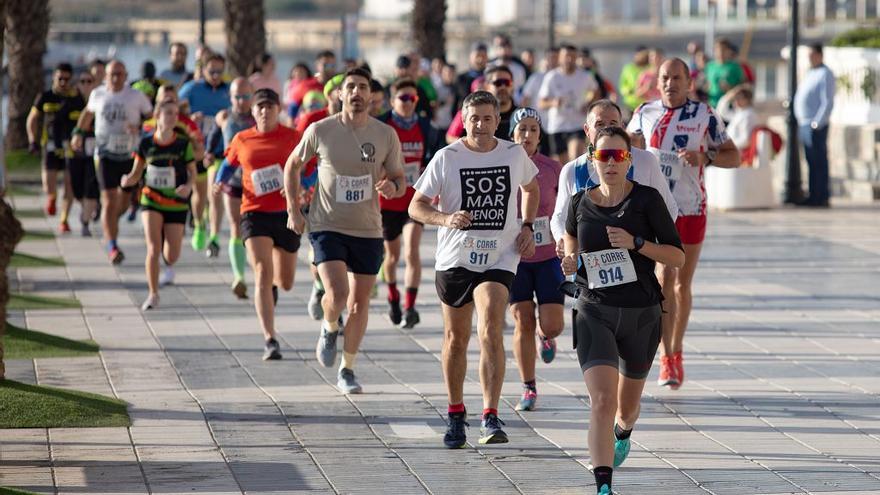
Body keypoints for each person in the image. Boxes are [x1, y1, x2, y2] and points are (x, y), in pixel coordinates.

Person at [409, 91, 540, 448]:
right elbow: (416, 207)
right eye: (473, 119)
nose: (480, 125)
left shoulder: (513, 153)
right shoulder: (447, 157)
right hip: (455, 258)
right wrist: (445, 218)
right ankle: (455, 414)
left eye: (487, 118)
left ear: (498, 121)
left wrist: (527, 225)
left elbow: (531, 187)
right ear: (463, 120)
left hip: (499, 256)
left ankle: (490, 414)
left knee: (491, 327)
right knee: (456, 338)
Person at [561, 126, 685, 495]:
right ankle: (603, 485)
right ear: (592, 160)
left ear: (629, 160)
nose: (611, 163)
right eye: (604, 156)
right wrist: (569, 262)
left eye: (618, 156)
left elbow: (676, 256)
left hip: (641, 314)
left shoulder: (647, 200)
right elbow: (572, 250)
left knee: (626, 409)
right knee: (602, 399)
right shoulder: (578, 203)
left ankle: (624, 432)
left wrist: (638, 243)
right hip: (594, 309)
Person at [283, 68, 406, 394]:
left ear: (371, 96)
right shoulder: (321, 130)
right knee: (336, 295)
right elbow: (293, 165)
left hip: (367, 229)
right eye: (349, 86)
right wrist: (293, 210)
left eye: (362, 87)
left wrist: (392, 187)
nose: (356, 92)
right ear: (339, 94)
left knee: (359, 304)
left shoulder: (385, 134)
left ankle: (347, 369)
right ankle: (328, 326)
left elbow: (399, 177)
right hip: (327, 225)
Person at [627, 58, 740, 389]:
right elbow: (625, 149)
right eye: (665, 77)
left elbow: (734, 156)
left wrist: (705, 157)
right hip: (657, 210)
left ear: (688, 82)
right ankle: (667, 357)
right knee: (664, 280)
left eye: (677, 78)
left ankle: (676, 352)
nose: (670, 83)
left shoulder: (704, 115)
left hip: (692, 207)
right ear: (657, 81)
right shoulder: (644, 114)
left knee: (681, 284)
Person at [216, 88, 302, 360]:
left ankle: (274, 289)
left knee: (285, 281)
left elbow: (310, 168)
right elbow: (228, 164)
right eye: (260, 107)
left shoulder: (293, 137)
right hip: (254, 212)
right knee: (262, 272)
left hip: (286, 213)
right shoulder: (242, 138)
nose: (265, 111)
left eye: (270, 106)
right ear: (253, 112)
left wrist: (306, 188)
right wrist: (220, 180)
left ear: (279, 109)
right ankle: (270, 339)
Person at [551, 99, 677, 247]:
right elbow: (559, 217)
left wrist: (648, 245)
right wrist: (562, 241)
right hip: (586, 264)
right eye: (599, 124)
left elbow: (669, 208)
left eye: (613, 123)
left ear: (622, 128)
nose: (606, 129)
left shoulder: (645, 161)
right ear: (586, 130)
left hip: (636, 262)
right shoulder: (572, 170)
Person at [506, 108, 564, 412]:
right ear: (512, 134)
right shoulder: (502, 163)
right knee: (522, 320)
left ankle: (547, 336)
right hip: (513, 258)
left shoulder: (553, 168)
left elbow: (567, 209)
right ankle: (529, 387)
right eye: (521, 129)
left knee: (552, 324)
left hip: (548, 256)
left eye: (532, 129)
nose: (526, 135)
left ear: (540, 135)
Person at [72, 60, 153, 265]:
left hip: (129, 156)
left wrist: (140, 127)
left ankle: (110, 224)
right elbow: (87, 114)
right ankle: (112, 246)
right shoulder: (98, 94)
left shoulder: (136, 96)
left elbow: (153, 118)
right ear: (105, 76)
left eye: (119, 74)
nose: (115, 78)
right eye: (111, 74)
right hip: (105, 154)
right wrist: (78, 133)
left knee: (123, 204)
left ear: (126, 76)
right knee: (108, 199)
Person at [376, 78, 441, 328]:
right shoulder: (382, 125)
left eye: (412, 99)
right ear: (392, 101)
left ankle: (410, 307)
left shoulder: (426, 128)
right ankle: (393, 297)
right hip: (388, 202)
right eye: (403, 98)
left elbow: (435, 161)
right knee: (391, 256)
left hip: (414, 201)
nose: (408, 103)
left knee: (412, 251)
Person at [122, 101, 196, 311]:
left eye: (175, 114)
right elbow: (137, 172)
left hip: (176, 203)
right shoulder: (145, 143)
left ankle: (167, 247)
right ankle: (153, 294)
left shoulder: (183, 144)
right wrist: (128, 179)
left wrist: (188, 186)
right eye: (168, 113)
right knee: (152, 248)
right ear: (157, 115)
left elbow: (192, 172)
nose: (173, 117)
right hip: (151, 199)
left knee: (171, 256)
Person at [207, 77, 257, 299]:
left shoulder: (260, 117)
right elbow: (215, 137)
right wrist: (209, 153)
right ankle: (239, 277)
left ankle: (260, 270)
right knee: (236, 226)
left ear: (252, 96)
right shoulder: (225, 117)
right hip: (234, 182)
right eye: (237, 96)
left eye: (246, 96)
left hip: (258, 185)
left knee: (256, 230)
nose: (241, 101)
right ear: (231, 97)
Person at [179, 53, 231, 252]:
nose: (216, 75)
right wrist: (191, 117)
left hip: (220, 151)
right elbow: (174, 110)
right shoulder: (192, 89)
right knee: (200, 195)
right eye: (212, 71)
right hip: (196, 150)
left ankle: (214, 235)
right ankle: (200, 224)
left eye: (220, 71)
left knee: (214, 193)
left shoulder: (229, 91)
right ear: (203, 70)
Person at [27, 63, 81, 231]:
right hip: (49, 144)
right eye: (60, 78)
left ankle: (64, 220)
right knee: (48, 183)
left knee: (69, 184)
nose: (63, 82)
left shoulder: (77, 99)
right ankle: (51, 197)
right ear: (54, 78)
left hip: (70, 147)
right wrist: (32, 140)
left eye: (66, 79)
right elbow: (32, 119)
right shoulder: (45, 96)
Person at [538, 44, 597, 164]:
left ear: (577, 58)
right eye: (566, 56)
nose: (569, 59)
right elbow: (541, 103)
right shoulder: (552, 77)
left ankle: (577, 182)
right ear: (560, 57)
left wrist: (588, 104)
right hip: (557, 126)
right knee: (561, 164)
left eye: (573, 56)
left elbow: (596, 91)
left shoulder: (584, 76)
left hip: (577, 124)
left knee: (575, 156)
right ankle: (564, 182)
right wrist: (553, 102)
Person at [794, 43, 835, 208]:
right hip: (804, 123)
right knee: (810, 161)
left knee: (819, 161)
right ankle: (813, 194)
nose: (809, 58)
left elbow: (827, 100)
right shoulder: (811, 73)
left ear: (819, 55)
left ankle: (821, 196)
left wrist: (817, 122)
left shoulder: (825, 73)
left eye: (812, 55)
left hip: (814, 124)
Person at [446, 65, 518, 143]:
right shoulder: (470, 111)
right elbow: (450, 137)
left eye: (507, 83)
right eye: (498, 83)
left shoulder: (520, 116)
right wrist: (469, 145)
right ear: (487, 86)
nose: (503, 87)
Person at [68, 70, 101, 236]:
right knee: (77, 189)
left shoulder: (101, 100)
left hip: (95, 152)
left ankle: (85, 222)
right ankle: (90, 206)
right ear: (78, 84)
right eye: (83, 81)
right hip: (75, 153)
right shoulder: (71, 102)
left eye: (90, 81)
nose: (86, 84)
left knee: (91, 185)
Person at [705, 38, 745, 108]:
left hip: (729, 105)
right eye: (717, 49)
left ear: (729, 51)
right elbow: (708, 84)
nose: (720, 52)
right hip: (713, 104)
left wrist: (730, 89)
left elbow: (743, 86)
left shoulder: (735, 67)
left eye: (723, 49)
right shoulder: (709, 66)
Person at [715, 85, 758, 150]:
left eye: (739, 98)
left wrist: (727, 146)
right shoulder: (740, 113)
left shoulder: (749, 115)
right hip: (731, 150)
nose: (736, 100)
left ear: (747, 99)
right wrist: (728, 96)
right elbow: (721, 112)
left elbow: (746, 140)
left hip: (736, 152)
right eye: (735, 98)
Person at [454, 43, 489, 110]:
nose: (480, 60)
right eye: (477, 56)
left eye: (483, 56)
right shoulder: (461, 79)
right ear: (470, 57)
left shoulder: (490, 78)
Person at [618, 47, 649, 113]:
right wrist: (628, 91)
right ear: (636, 55)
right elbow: (622, 85)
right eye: (641, 55)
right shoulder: (628, 68)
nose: (643, 58)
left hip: (646, 104)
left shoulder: (650, 68)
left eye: (645, 56)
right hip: (631, 104)